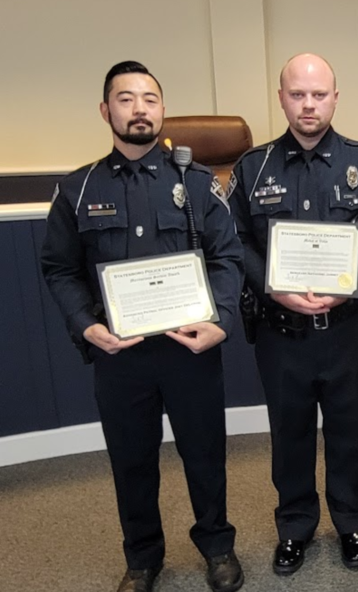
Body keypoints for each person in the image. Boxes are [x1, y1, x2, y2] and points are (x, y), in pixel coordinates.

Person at [40, 61, 245, 592]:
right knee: (131, 460)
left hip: (191, 350)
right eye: (126, 99)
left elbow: (227, 257)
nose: (139, 109)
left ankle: (217, 546)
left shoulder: (197, 184)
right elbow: (60, 269)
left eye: (150, 99)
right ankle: (142, 557)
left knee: (205, 454)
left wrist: (222, 321)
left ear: (162, 110)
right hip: (120, 354)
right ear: (106, 111)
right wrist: (86, 326)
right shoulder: (76, 190)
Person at [228, 53, 358, 576]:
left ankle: (351, 523)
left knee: (349, 432)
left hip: (345, 331)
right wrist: (273, 288)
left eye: (318, 94)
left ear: (335, 98)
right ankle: (295, 526)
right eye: (297, 94)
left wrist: (351, 290)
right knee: (291, 433)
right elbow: (232, 240)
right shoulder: (252, 169)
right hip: (282, 334)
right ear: (281, 98)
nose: (308, 105)